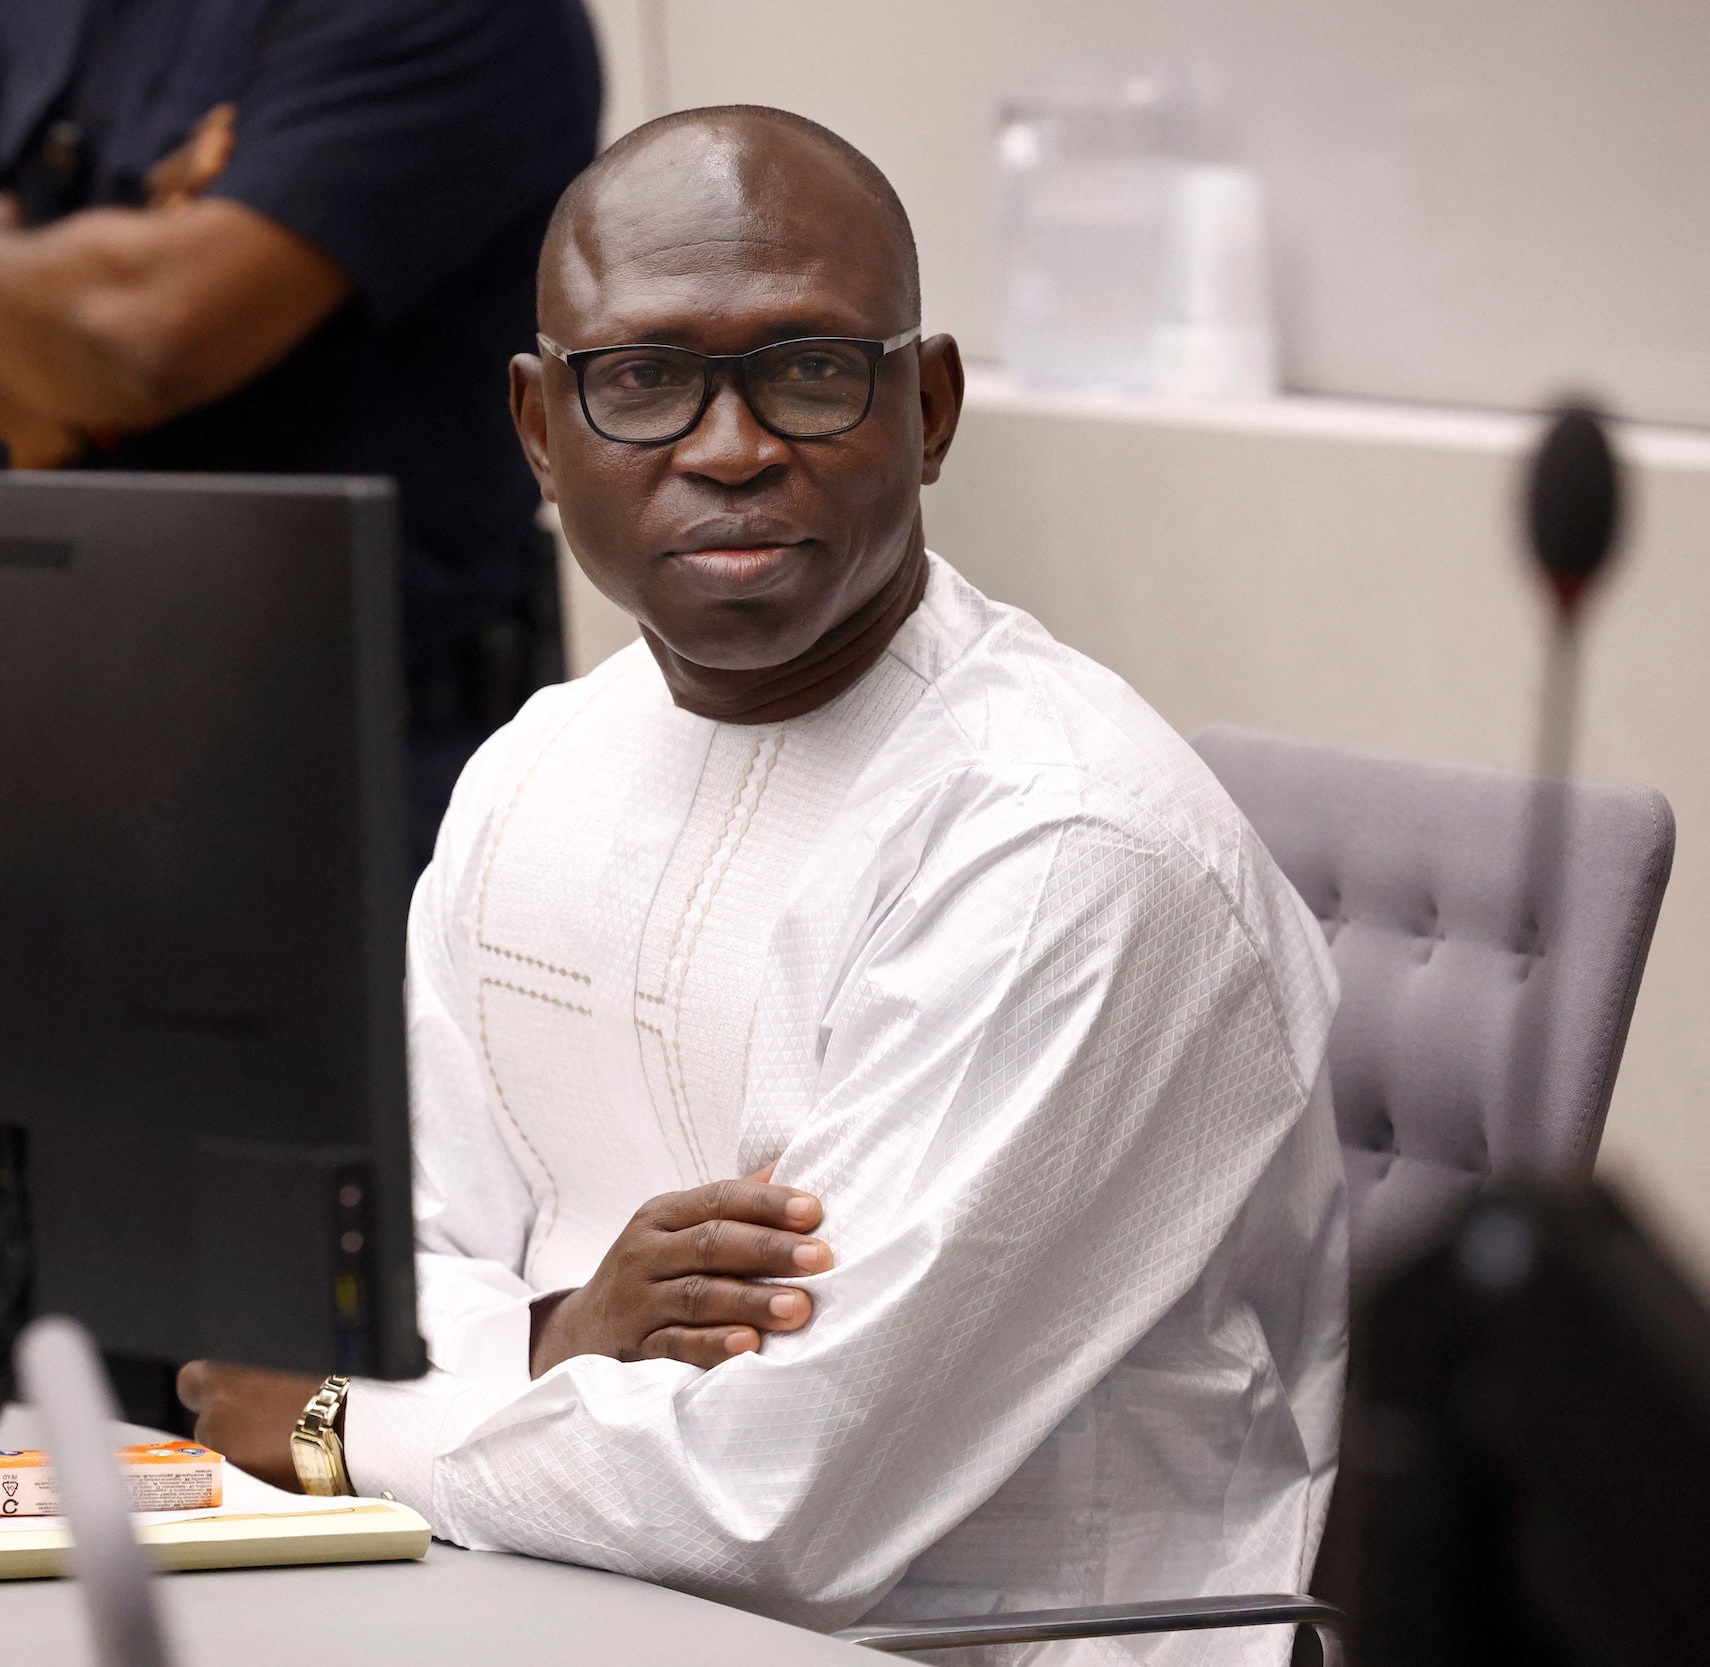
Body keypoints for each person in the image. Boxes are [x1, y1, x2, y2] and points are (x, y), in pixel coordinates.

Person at [179, 106, 1347, 1653]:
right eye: (642, 381)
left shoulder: (1064, 848)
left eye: (807, 371)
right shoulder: (535, 766)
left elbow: (771, 1506)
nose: (729, 449)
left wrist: (338, 1425)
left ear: (927, 407)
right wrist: (562, 1331)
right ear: (540, 429)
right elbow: (396, 1268)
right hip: (557, 1597)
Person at [0, 0, 604, 869]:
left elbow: (141, 336)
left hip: (358, 764)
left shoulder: (460, 17)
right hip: (44, 739)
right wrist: (100, 344)